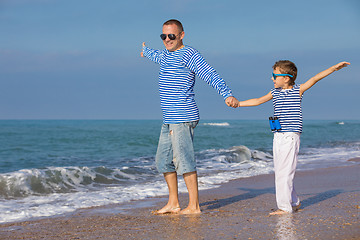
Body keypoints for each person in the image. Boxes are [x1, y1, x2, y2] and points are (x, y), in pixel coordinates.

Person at [141, 19, 239, 215]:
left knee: (184, 161)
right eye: (163, 36)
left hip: (183, 115)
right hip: (168, 118)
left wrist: (227, 93)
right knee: (163, 160)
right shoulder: (165, 56)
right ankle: (173, 203)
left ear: (182, 35)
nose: (167, 40)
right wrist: (145, 50)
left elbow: (210, 74)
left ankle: (194, 206)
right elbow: (155, 55)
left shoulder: (189, 54)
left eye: (171, 36)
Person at [237, 60, 350, 215]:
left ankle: (284, 207)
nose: (272, 79)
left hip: (290, 137)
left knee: (285, 173)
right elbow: (257, 101)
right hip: (277, 136)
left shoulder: (298, 90)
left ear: (287, 78)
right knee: (281, 171)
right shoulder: (274, 92)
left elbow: (315, 79)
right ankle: (294, 202)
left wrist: (333, 68)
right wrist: (238, 104)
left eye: (274, 75)